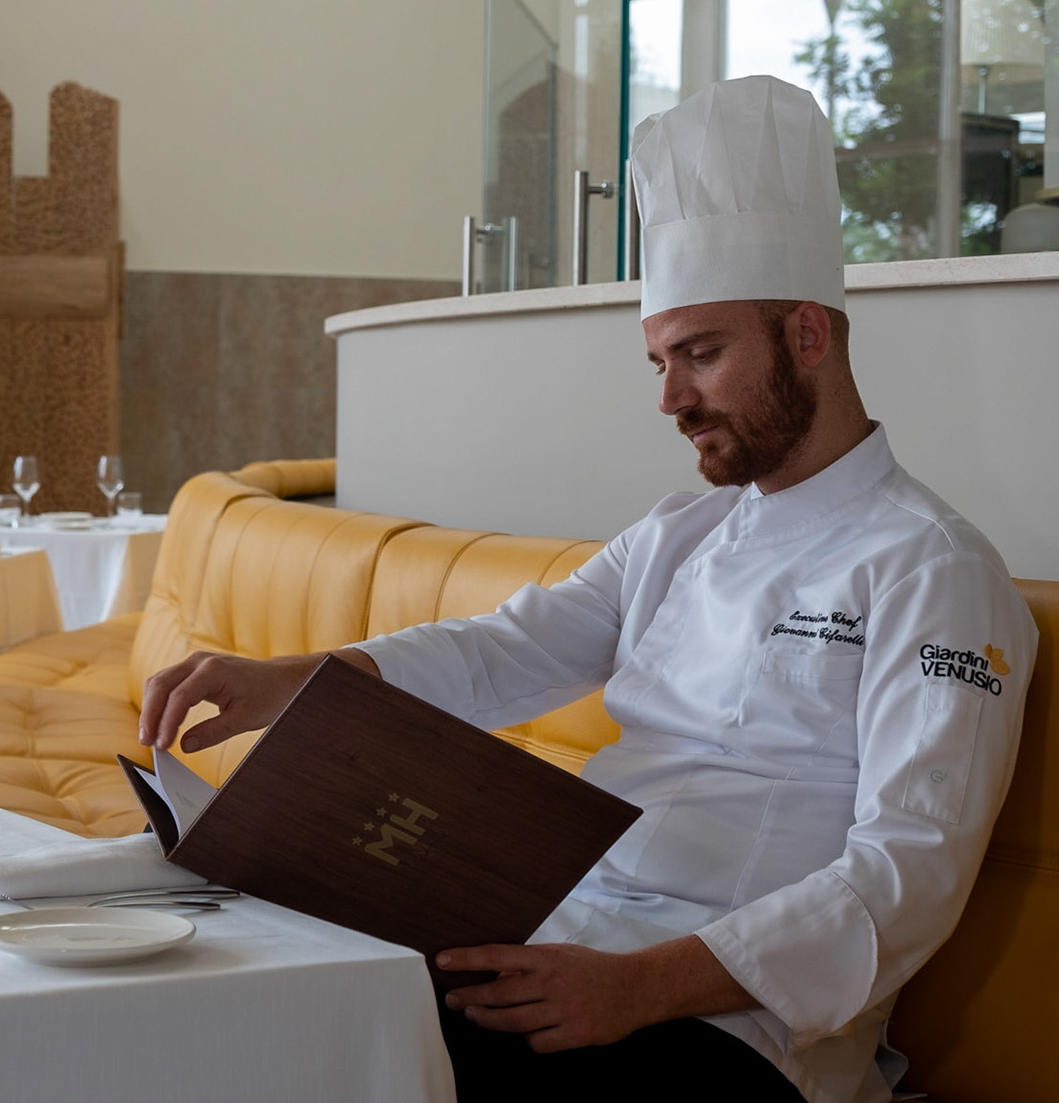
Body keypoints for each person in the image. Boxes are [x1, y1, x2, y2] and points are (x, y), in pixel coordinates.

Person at [137, 76, 1037, 1103]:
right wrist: (294, 680)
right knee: (235, 993)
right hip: (560, 946)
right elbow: (502, 651)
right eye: (659, 362)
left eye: (701, 354)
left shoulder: (935, 569)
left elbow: (909, 872)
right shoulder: (681, 531)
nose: (671, 398)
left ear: (808, 336)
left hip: (730, 1025)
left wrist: (637, 989)